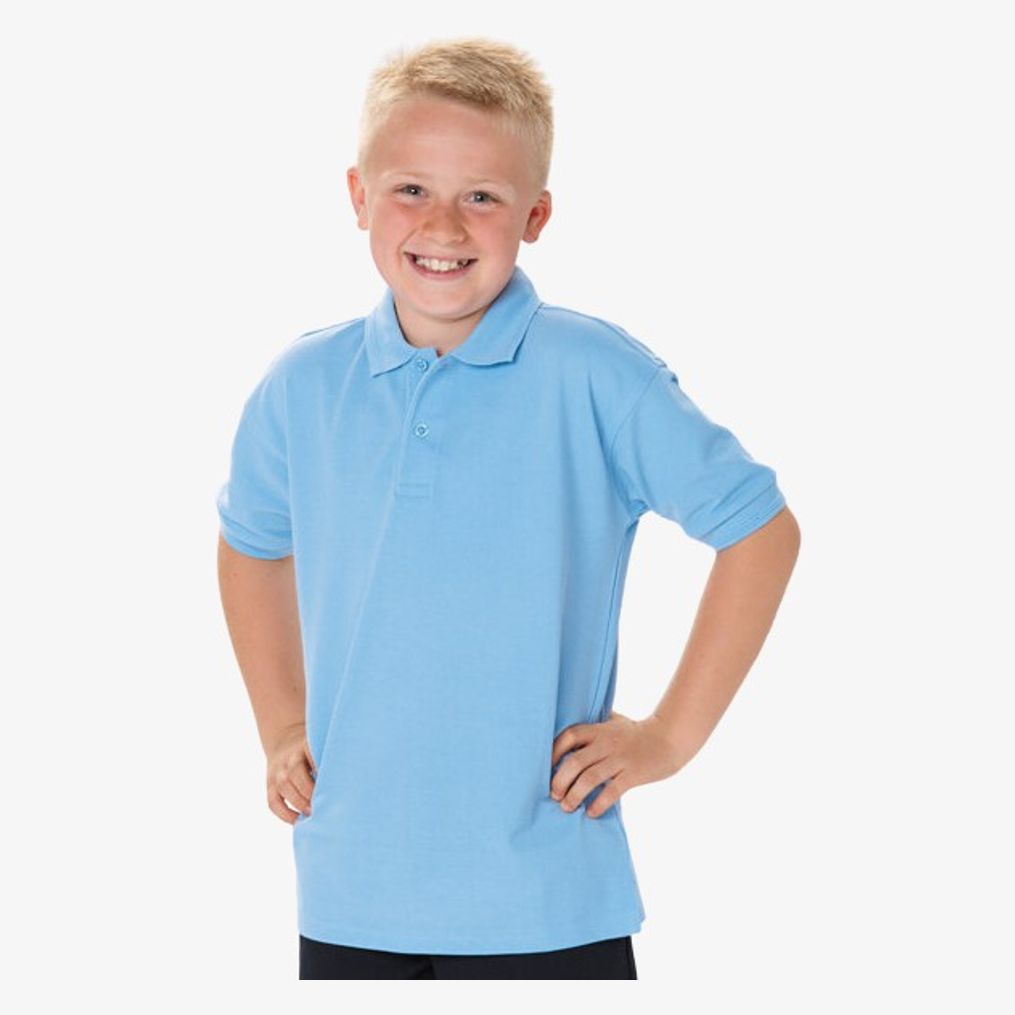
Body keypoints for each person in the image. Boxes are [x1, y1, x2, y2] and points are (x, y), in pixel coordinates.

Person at [216, 36, 801, 981]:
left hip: (546, 897)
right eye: (411, 188)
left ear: (535, 215)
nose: (442, 225)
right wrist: (282, 724)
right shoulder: (303, 383)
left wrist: (667, 737)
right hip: (350, 888)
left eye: (481, 197)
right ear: (358, 196)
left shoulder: (595, 374)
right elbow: (250, 544)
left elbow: (759, 531)